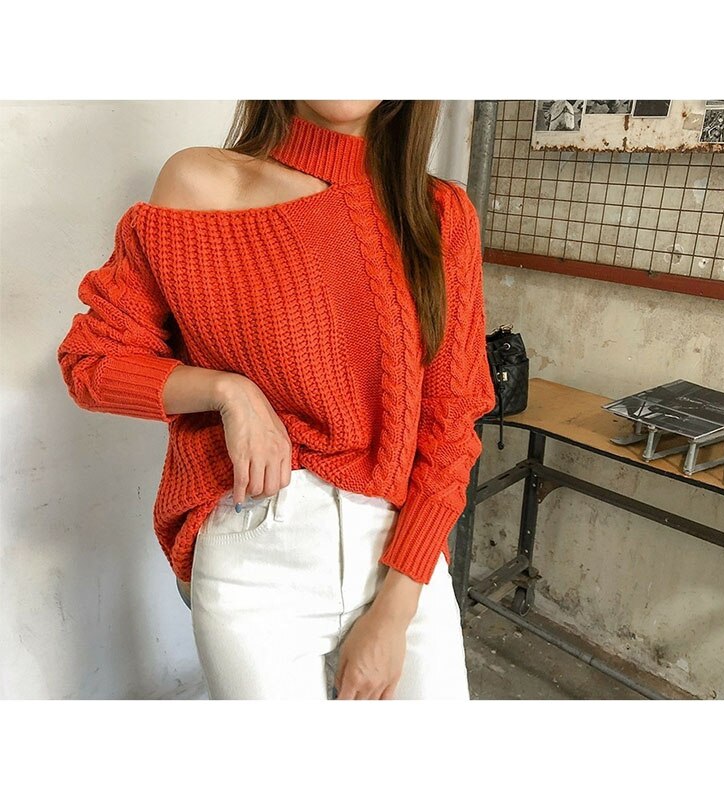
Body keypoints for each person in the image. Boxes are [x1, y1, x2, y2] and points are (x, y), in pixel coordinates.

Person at [56, 100, 496, 700]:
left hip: (401, 557)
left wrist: (395, 612)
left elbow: (450, 425)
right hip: (255, 556)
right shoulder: (199, 186)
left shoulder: (437, 212)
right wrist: (228, 391)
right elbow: (92, 363)